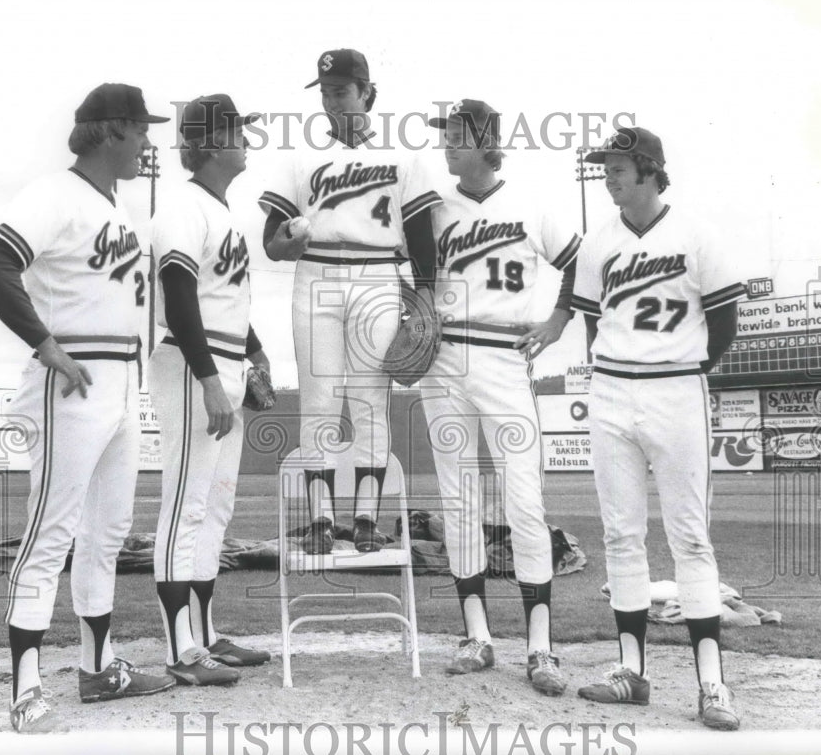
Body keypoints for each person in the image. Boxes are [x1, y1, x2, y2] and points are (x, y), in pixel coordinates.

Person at [0, 83, 175, 734]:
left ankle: (97, 667)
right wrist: (44, 343)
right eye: (142, 129)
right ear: (112, 130)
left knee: (107, 532)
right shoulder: (53, 195)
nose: (149, 141)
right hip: (71, 382)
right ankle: (25, 686)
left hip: (118, 385)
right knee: (51, 532)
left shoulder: (117, 209)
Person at [570, 126, 744, 730]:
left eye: (618, 165)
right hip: (612, 391)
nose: (609, 175)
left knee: (689, 537)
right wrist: (620, 368)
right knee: (621, 536)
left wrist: (680, 368)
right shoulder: (597, 243)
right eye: (605, 166)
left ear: (648, 168)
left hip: (676, 390)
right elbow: (593, 325)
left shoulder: (696, 233)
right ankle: (630, 673)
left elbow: (723, 323)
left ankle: (712, 684)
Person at [420, 99, 580, 696]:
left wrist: (558, 322)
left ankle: (541, 648)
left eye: (457, 135)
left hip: (503, 356)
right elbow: (403, 276)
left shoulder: (530, 203)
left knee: (523, 501)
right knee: (458, 500)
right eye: (444, 135)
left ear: (486, 140)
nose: (447, 144)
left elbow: (578, 263)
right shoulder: (432, 212)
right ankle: (477, 637)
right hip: (442, 359)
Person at [259, 49, 440, 553]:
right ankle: (319, 519)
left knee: (368, 402)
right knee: (318, 401)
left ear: (367, 92)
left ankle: (364, 516)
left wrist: (424, 300)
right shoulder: (298, 159)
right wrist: (285, 245)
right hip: (315, 273)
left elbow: (423, 237)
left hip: (379, 274)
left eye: (340, 90)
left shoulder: (403, 157)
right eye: (324, 92)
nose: (331, 100)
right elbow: (270, 240)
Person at [148, 94, 272, 686]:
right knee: (184, 506)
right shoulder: (182, 209)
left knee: (216, 508)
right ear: (211, 143)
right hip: (191, 367)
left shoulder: (223, 212)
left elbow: (223, 299)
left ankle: (204, 634)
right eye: (238, 131)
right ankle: (180, 650)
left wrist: (253, 352)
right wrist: (209, 381)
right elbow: (179, 298)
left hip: (225, 363)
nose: (246, 139)